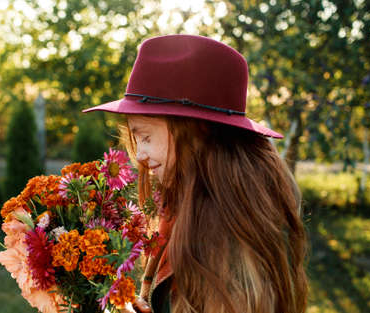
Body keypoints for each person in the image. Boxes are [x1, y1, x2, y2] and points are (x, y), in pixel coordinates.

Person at [82, 34, 308, 313]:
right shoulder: (184, 205)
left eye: (147, 137)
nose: (139, 156)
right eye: (135, 139)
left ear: (196, 133)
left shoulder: (231, 237)